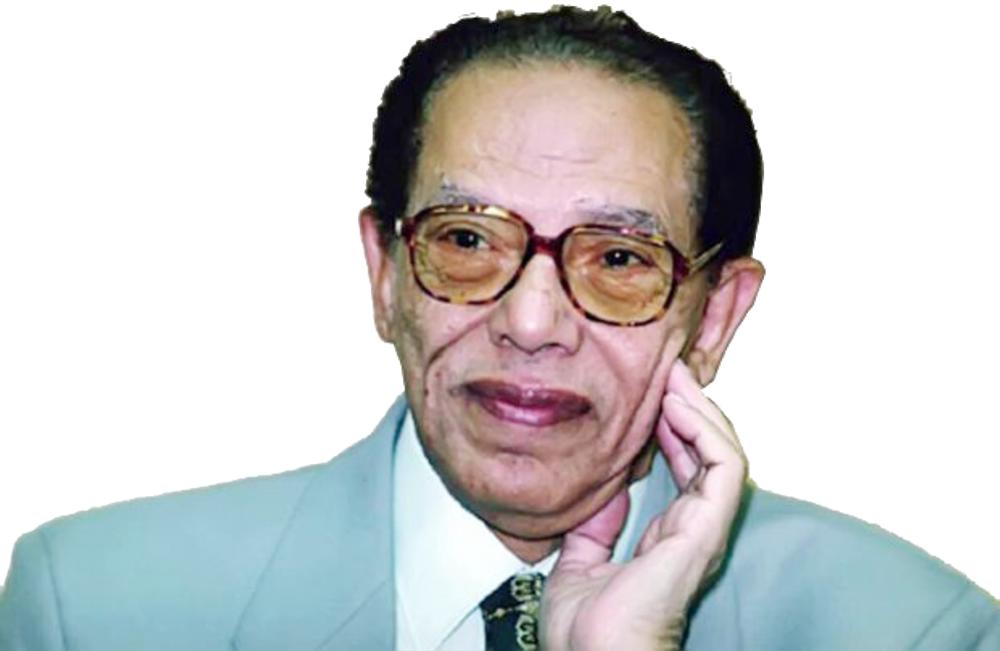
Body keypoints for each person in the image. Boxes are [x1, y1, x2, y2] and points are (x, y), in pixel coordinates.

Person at [1, 6, 997, 650]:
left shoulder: (914, 631)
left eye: (618, 259)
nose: (529, 322)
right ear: (385, 273)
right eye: (468, 239)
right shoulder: (96, 606)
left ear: (714, 315)